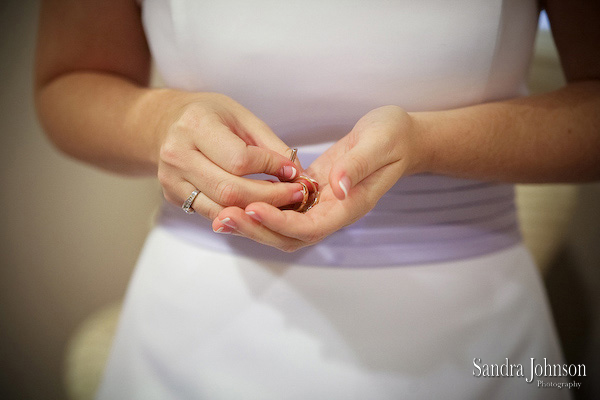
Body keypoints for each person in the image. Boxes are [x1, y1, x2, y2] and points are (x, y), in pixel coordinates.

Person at [35, 0, 599, 399]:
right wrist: (160, 122)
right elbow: (70, 80)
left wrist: (425, 144)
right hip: (199, 326)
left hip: (469, 328)